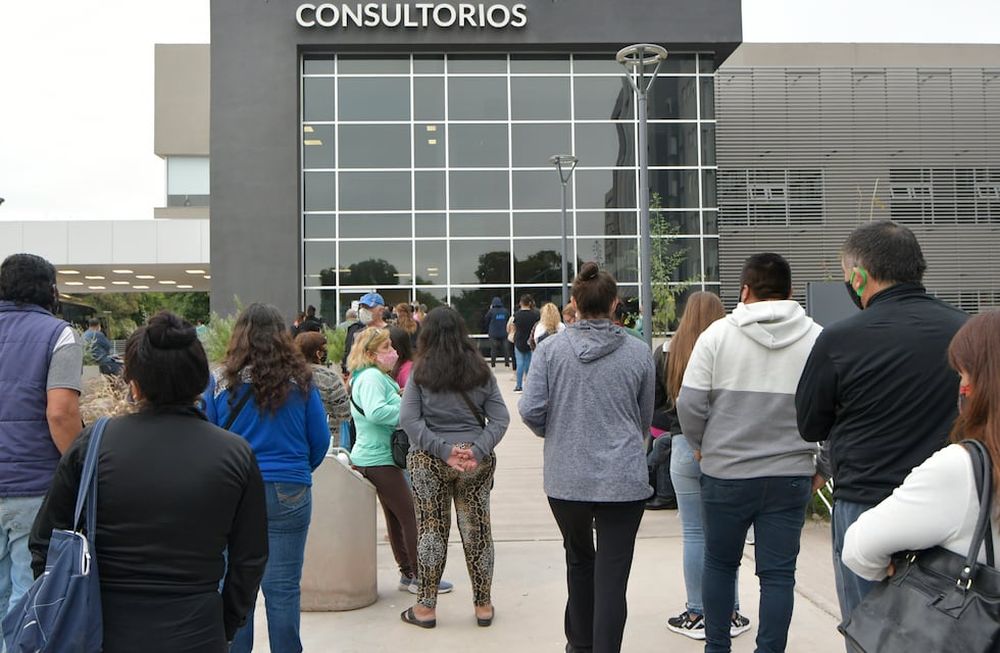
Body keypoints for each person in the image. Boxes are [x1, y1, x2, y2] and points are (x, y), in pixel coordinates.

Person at [29, 312, 268, 652]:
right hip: (197, 630)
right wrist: (226, 621)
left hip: (104, 632)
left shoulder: (93, 445)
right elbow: (250, 558)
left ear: (133, 383)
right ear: (201, 380)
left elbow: (44, 541)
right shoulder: (235, 454)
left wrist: (68, 612)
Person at [795, 220, 968, 625]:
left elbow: (810, 425)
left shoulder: (838, 339)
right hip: (952, 503)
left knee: (869, 630)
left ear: (858, 277)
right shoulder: (964, 331)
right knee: (948, 630)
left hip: (866, 504)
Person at [677, 253, 823, 653]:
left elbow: (688, 404)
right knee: (778, 576)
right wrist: (821, 464)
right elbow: (834, 411)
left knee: (720, 565)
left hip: (726, 474)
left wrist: (700, 446)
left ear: (744, 290)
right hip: (790, 474)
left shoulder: (717, 335)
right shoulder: (817, 338)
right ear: (790, 292)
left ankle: (718, 648)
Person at [518, 262, 655, 653]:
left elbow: (530, 409)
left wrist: (556, 431)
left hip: (567, 477)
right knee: (613, 574)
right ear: (615, 304)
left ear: (573, 304)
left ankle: (579, 644)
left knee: (579, 561)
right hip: (624, 478)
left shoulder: (550, 351)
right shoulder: (638, 353)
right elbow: (643, 418)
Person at [202, 303, 331, 653]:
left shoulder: (217, 381)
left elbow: (206, 438)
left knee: (234, 584)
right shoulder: (302, 381)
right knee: (284, 587)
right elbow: (320, 441)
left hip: (233, 491)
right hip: (289, 488)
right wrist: (298, 471)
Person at [841, 311, 1000, 590]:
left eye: (963, 374)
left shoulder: (964, 469)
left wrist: (896, 572)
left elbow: (859, 548)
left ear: (983, 384)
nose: (961, 386)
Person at [399, 307, 510, 629]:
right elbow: (501, 419)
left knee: (431, 531)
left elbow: (409, 419)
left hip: (428, 461)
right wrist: (476, 449)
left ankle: (426, 608)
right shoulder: (481, 371)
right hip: (475, 462)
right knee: (478, 532)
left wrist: (444, 450)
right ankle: (483, 606)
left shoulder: (420, 372)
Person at [654, 292, 753, 640]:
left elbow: (654, 407)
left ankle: (697, 611)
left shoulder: (667, 352)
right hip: (725, 449)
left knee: (694, 534)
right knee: (726, 536)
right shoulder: (731, 346)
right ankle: (731, 611)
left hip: (682, 447)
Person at [0, 253, 82, 619]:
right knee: (26, 600)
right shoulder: (58, 334)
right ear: (50, 290)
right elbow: (61, 413)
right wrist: (79, 471)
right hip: (34, 490)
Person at [347, 327, 452, 597]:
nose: (393, 353)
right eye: (386, 348)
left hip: (376, 457)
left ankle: (408, 573)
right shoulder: (372, 377)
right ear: (371, 353)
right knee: (410, 516)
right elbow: (376, 412)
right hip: (379, 458)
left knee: (397, 517)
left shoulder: (369, 375)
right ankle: (421, 576)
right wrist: (409, 408)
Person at [294, 331, 351, 429]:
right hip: (330, 435)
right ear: (318, 353)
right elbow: (345, 413)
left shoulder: (289, 376)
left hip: (296, 434)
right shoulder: (330, 377)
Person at [341, 292, 387, 375]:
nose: (363, 310)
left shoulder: (391, 332)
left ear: (381, 310)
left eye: (368, 307)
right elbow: (354, 363)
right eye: (361, 307)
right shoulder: (357, 332)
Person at [511, 294, 539, 393]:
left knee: (520, 363)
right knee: (528, 363)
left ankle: (519, 385)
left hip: (519, 340)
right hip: (530, 341)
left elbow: (513, 327)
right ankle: (528, 385)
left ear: (520, 303)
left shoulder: (516, 315)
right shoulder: (535, 315)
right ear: (530, 303)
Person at [482, 297, 510, 368]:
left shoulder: (491, 311)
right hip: (504, 333)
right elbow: (508, 320)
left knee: (493, 350)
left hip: (493, 333)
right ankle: (507, 364)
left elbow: (486, 320)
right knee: (506, 349)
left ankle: (493, 365)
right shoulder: (505, 311)